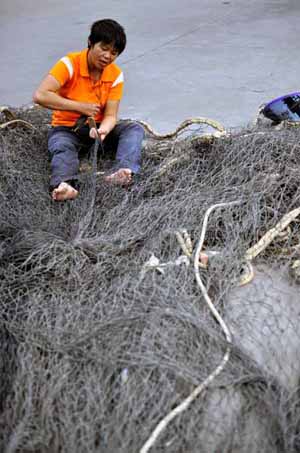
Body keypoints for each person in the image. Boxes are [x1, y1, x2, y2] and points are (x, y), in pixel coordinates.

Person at [33, 19, 144, 201]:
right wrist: (79, 107)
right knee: (62, 147)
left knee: (134, 129)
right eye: (104, 48)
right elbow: (41, 95)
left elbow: (110, 115)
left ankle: (123, 171)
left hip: (97, 131)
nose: (108, 56)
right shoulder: (69, 64)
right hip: (67, 129)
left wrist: (104, 130)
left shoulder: (115, 74)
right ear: (90, 43)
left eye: (114, 53)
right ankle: (64, 185)